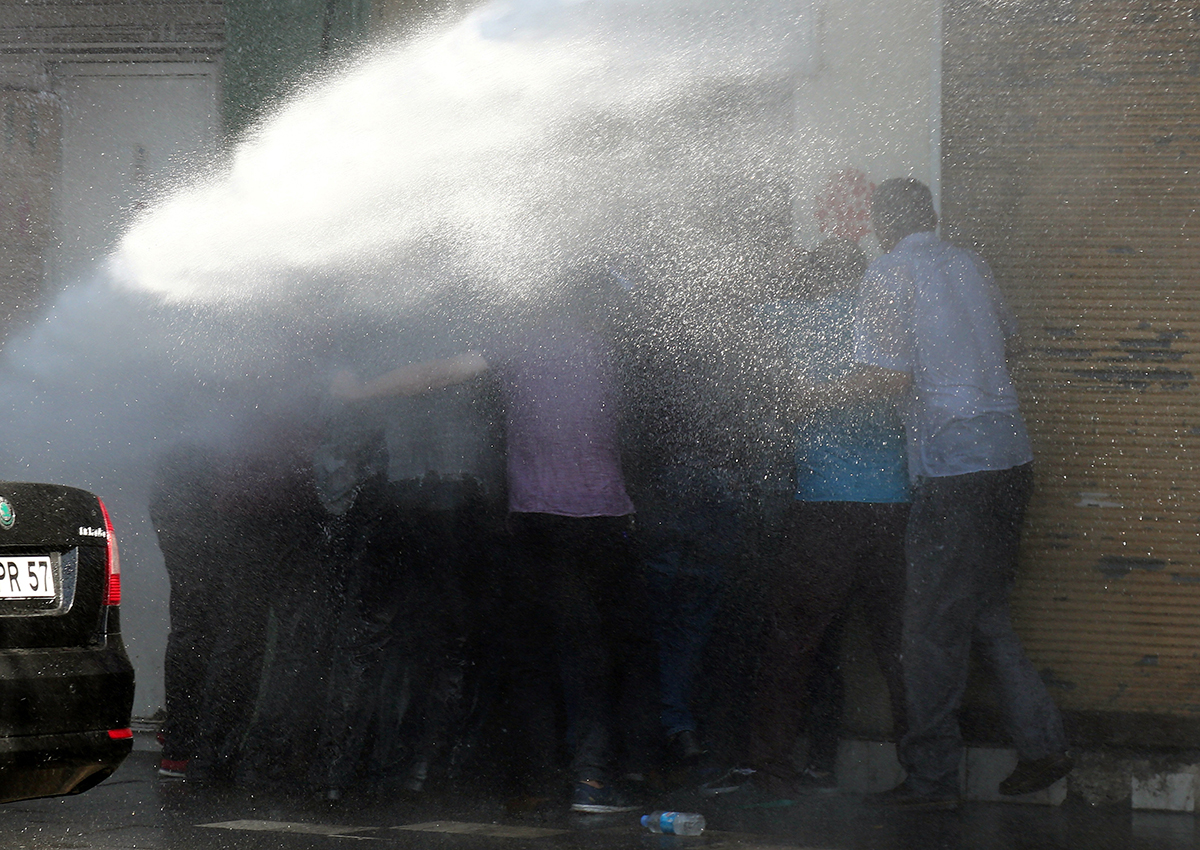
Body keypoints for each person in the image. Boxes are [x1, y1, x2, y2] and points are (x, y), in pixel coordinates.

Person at [804, 178, 1071, 809]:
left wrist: (812, 396)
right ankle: (1043, 744)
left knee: (926, 630)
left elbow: (888, 375)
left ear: (880, 223)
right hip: (1011, 459)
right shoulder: (971, 264)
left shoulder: (887, 275)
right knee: (986, 613)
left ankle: (931, 783)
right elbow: (1011, 347)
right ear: (930, 215)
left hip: (953, 470)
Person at [747, 237, 909, 795]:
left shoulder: (790, 319)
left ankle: (771, 767)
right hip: (894, 505)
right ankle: (929, 774)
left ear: (812, 277)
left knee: (792, 642)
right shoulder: (884, 324)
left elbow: (740, 321)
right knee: (900, 645)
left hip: (823, 506)